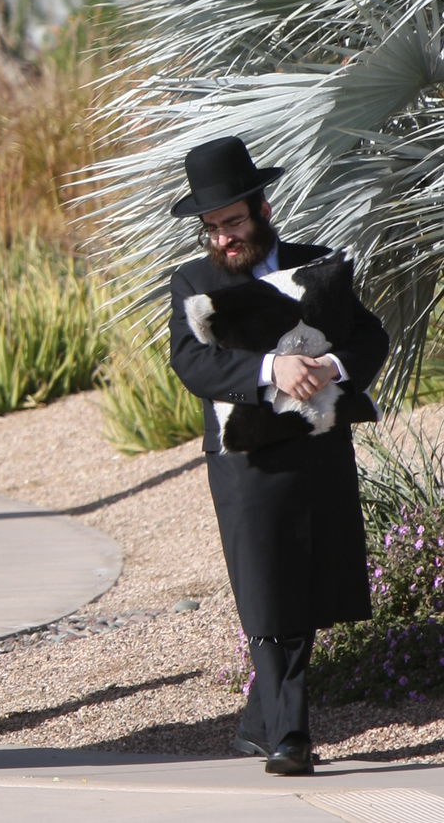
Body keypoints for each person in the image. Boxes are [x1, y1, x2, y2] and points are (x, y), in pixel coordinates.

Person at [167, 135, 388, 776]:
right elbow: (191, 359)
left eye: (232, 222)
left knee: (310, 578)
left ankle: (261, 720)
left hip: (318, 449)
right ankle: (290, 737)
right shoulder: (194, 281)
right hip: (245, 460)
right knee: (266, 584)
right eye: (211, 228)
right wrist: (271, 366)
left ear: (262, 208)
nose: (222, 239)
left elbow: (370, 334)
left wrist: (331, 366)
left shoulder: (318, 266)